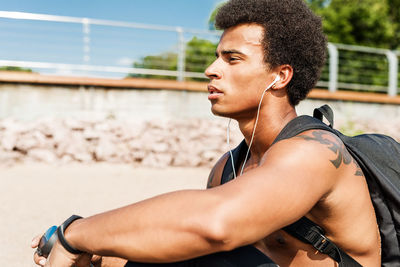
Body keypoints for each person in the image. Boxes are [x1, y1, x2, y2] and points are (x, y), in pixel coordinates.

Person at [32, 0, 381, 266]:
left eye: (232, 59)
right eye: (217, 57)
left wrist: (74, 234)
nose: (210, 69)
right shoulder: (228, 167)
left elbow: (216, 224)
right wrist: (102, 252)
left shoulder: (315, 151)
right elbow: (193, 243)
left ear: (280, 76)